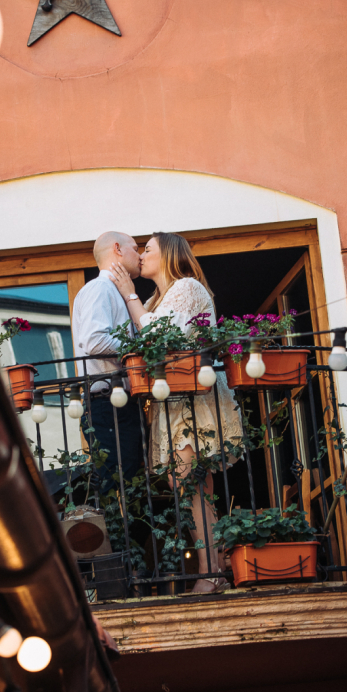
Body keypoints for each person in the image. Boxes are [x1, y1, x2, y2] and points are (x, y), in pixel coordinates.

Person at [110, 232, 242, 593]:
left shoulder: (187, 287)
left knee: (186, 481)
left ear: (167, 254)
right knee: (189, 482)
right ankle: (213, 567)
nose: (141, 256)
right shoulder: (159, 296)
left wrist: (129, 295)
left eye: (147, 249)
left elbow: (159, 334)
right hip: (174, 399)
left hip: (192, 399)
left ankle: (210, 571)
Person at [71, 231, 144, 494]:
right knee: (115, 484)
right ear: (117, 249)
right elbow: (94, 341)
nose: (141, 256)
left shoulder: (111, 292)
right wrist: (139, 350)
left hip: (116, 403)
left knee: (124, 484)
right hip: (107, 404)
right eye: (136, 249)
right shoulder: (100, 289)